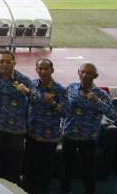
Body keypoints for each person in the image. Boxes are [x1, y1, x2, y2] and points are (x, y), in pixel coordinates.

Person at [60, 62, 117, 194]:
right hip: (69, 136)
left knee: (88, 170)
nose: (85, 75)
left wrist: (98, 102)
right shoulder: (71, 88)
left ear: (95, 76)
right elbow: (63, 108)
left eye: (89, 73)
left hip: (88, 138)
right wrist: (61, 126)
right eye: (83, 72)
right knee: (66, 168)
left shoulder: (101, 94)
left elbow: (113, 115)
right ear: (78, 72)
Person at [0, 49, 34, 186]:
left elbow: (37, 100)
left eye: (8, 62)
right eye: (1, 61)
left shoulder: (23, 80)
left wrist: (28, 92)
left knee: (14, 165)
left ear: (14, 63)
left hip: (16, 130)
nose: (4, 64)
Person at [24, 58, 67, 194]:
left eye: (46, 69)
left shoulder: (59, 89)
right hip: (32, 133)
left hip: (50, 136)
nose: (43, 71)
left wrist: (53, 103)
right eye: (40, 69)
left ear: (52, 70)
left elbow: (66, 112)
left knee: (46, 168)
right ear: (36, 70)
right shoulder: (31, 85)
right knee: (29, 165)